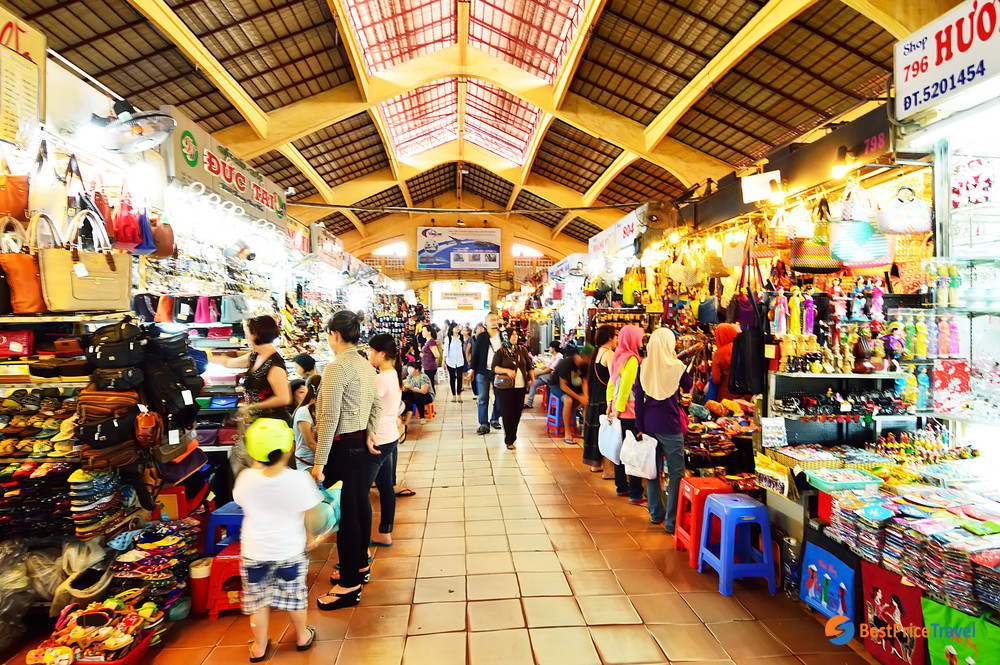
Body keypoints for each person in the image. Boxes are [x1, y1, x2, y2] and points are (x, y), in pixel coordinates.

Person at [233, 418, 324, 661]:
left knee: (258, 602)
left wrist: (255, 466)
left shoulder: (245, 479)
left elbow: (241, 500)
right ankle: (303, 636)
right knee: (295, 597)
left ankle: (260, 647)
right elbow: (311, 514)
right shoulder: (299, 480)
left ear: (253, 451)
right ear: (291, 447)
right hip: (289, 552)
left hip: (255, 553)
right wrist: (310, 536)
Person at [312, 311, 382, 611]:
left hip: (343, 447)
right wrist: (370, 431)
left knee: (347, 518)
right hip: (360, 446)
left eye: (328, 335)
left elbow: (328, 418)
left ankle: (349, 584)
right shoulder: (366, 365)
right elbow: (376, 403)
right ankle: (359, 568)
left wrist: (319, 461)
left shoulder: (336, 368)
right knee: (356, 509)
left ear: (335, 334)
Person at [213, 315, 293, 476]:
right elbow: (229, 363)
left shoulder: (274, 364)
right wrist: (204, 357)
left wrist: (253, 406)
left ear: (256, 334)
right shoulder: (254, 357)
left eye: (247, 332)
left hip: (273, 429)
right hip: (258, 425)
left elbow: (284, 398)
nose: (246, 337)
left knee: (270, 474)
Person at [634, 328, 693, 532]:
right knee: (676, 473)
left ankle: (655, 514)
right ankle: (671, 522)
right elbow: (689, 384)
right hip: (671, 425)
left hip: (649, 425)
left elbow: (639, 400)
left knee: (652, 471)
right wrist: (676, 362)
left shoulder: (643, 366)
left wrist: (639, 426)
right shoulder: (677, 365)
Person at [367, 334, 405, 547]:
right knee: (385, 486)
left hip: (379, 438)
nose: (369, 354)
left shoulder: (382, 377)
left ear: (382, 353)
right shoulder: (394, 375)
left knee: (362, 490)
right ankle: (385, 532)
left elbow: (368, 408)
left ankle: (360, 547)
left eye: (371, 351)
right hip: (390, 435)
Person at [607, 325, 645, 505]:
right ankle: (636, 492)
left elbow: (611, 383)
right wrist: (618, 408)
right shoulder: (631, 359)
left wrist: (610, 405)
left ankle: (622, 486)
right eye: (639, 338)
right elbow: (626, 387)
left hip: (618, 409)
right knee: (633, 451)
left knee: (620, 447)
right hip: (629, 411)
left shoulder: (618, 355)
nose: (641, 341)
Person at [491, 329, 533, 449]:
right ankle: (509, 439)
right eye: (512, 335)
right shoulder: (501, 352)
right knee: (508, 413)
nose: (515, 336)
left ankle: (513, 435)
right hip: (505, 388)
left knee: (517, 412)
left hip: (520, 387)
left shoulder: (522, 350)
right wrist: (506, 370)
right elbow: (495, 368)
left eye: (515, 334)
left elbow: (529, 365)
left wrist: (532, 378)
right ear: (506, 337)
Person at [582, 326, 617, 472]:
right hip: (603, 398)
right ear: (609, 337)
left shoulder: (597, 353)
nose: (617, 339)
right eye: (615, 336)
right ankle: (606, 467)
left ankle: (595, 464)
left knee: (596, 431)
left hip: (594, 398)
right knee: (605, 432)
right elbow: (614, 378)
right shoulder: (609, 354)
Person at [550, 346, 592, 445]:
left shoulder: (585, 365)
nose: (589, 360)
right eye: (588, 358)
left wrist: (585, 396)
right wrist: (579, 398)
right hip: (557, 386)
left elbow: (584, 382)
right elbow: (563, 386)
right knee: (568, 401)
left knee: (587, 401)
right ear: (582, 356)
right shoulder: (566, 363)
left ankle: (584, 432)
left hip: (573, 387)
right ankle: (567, 433)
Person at [470, 313, 503, 434]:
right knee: (483, 398)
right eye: (491, 320)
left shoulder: (503, 336)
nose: (494, 322)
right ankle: (483, 423)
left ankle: (495, 418)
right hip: (482, 371)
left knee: (499, 397)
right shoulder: (481, 336)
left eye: (495, 319)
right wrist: (472, 369)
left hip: (499, 371)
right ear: (486, 322)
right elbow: (476, 354)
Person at [292, 375, 321, 468]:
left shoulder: (321, 409)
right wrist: (327, 459)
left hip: (319, 462)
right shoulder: (304, 411)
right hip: (307, 462)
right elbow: (310, 442)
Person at [525, 341, 563, 408]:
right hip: (547, 376)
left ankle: (529, 380)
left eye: (550, 347)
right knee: (534, 383)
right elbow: (547, 366)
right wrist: (537, 370)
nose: (549, 349)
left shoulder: (559, 356)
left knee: (535, 374)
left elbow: (550, 369)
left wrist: (538, 373)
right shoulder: (554, 356)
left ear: (553, 348)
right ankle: (529, 403)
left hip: (553, 378)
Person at [711, 323, 744, 400]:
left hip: (726, 394)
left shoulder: (719, 354)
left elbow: (716, 380)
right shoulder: (744, 348)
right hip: (745, 393)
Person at [444, 323, 466, 401]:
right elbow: (446, 350)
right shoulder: (448, 338)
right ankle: (453, 395)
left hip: (460, 360)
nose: (457, 328)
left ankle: (459, 394)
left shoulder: (461, 337)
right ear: (452, 329)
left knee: (460, 378)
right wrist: (444, 360)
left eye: (458, 327)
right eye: (455, 327)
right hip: (450, 361)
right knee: (452, 378)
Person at [420, 325, 441, 392]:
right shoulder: (427, 342)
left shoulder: (431, 341)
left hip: (430, 366)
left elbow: (437, 354)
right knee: (429, 384)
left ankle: (432, 398)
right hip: (427, 366)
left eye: (424, 331)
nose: (422, 333)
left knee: (430, 384)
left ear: (429, 332)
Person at [468, 323, 484, 396]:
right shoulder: (472, 338)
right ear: (476, 329)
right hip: (473, 360)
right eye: (479, 328)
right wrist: (468, 358)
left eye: (482, 328)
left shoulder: (485, 338)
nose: (481, 329)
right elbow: (468, 349)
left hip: (482, 361)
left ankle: (480, 392)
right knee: (473, 376)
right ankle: (475, 393)